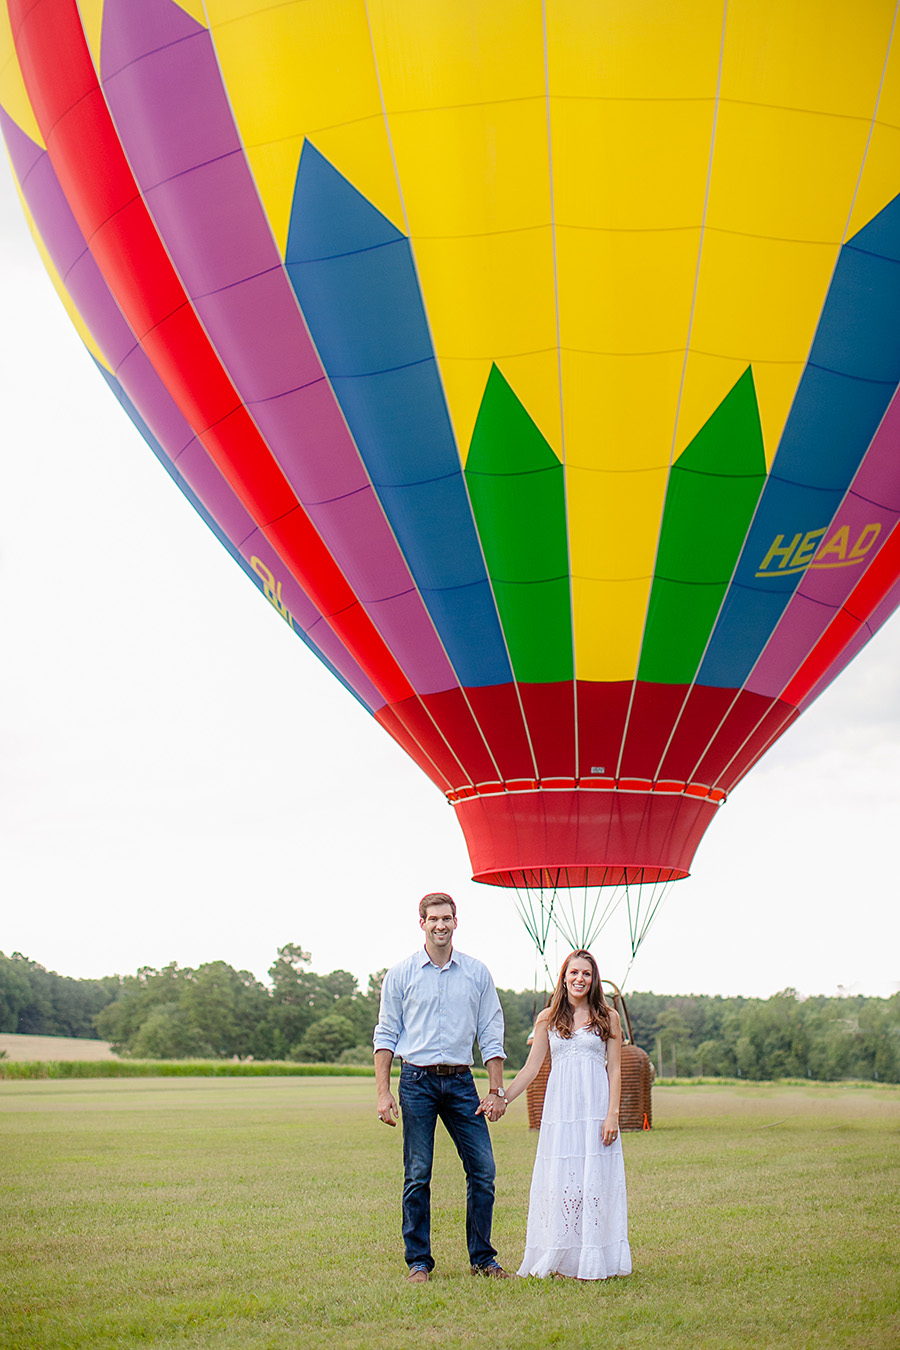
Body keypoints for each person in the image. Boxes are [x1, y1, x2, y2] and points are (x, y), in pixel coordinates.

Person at [373, 892, 514, 1283]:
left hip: (461, 1084)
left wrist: (496, 1090)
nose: (440, 925)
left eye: (446, 918)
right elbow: (385, 1033)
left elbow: (491, 1032)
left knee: (483, 1170)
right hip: (416, 1080)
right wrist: (384, 1092)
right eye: (433, 918)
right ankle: (419, 1262)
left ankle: (483, 1259)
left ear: (456, 921)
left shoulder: (476, 973)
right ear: (421, 923)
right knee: (418, 1173)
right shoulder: (401, 974)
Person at [500, 949, 632, 1280]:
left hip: (595, 1110)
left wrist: (612, 1115)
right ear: (563, 976)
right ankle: (559, 1256)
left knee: (592, 1183)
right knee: (562, 1183)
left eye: (586, 974)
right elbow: (532, 1068)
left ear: (594, 979)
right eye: (573, 973)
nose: (579, 979)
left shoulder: (609, 1017)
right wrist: (502, 1097)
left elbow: (614, 1070)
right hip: (561, 1112)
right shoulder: (547, 1017)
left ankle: (592, 1259)